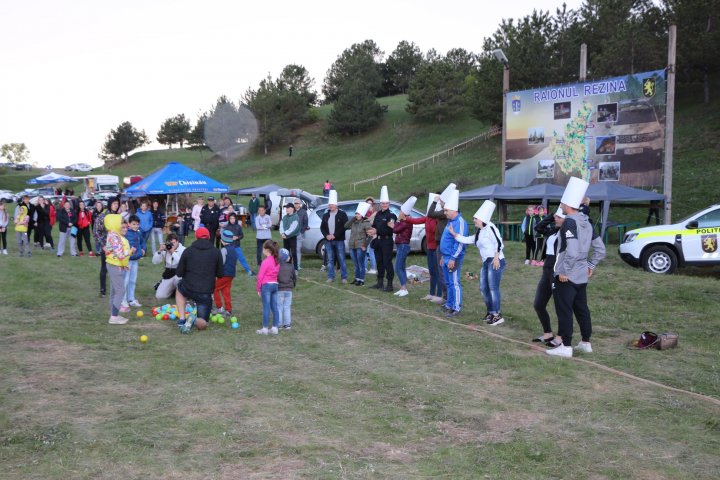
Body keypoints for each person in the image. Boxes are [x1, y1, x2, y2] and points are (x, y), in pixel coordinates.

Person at [547, 178, 606, 358]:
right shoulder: (586, 222)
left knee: (564, 310)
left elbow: (571, 250)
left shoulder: (569, 223)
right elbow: (600, 249)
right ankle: (585, 342)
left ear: (567, 204)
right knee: (582, 309)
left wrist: (564, 271)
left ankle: (565, 346)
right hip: (581, 274)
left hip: (568, 275)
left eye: (562, 203)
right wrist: (590, 264)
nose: (561, 205)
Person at [450, 201, 506, 325]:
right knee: (483, 288)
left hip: (495, 261)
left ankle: (497, 315)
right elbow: (470, 239)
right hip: (486, 262)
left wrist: (496, 257)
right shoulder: (480, 231)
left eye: (476, 219)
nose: (474, 220)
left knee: (493, 288)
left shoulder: (490, 227)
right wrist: (455, 235)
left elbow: (499, 243)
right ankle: (491, 312)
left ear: (482, 219)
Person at [175, 227, 224, 332]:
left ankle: (182, 319)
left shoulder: (188, 251)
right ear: (209, 237)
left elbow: (179, 273)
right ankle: (195, 320)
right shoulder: (216, 252)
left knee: (179, 288)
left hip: (188, 287)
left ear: (196, 237)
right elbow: (220, 274)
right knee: (203, 325)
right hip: (205, 293)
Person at [532, 207, 565, 345]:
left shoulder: (567, 233)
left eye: (559, 217)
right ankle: (547, 334)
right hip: (547, 269)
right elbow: (538, 227)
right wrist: (552, 216)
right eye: (555, 216)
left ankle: (561, 337)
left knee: (560, 307)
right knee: (539, 304)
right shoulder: (553, 230)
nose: (556, 218)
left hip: (558, 270)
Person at [438, 189, 467, 318]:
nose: (445, 213)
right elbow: (446, 240)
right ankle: (449, 304)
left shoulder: (460, 222)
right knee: (448, 282)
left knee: (454, 282)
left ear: (454, 210)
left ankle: (456, 307)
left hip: (453, 258)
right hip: (446, 257)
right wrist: (443, 257)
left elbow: (460, 242)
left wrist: (452, 258)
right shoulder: (450, 222)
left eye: (446, 211)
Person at [408, 193, 441, 302]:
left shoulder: (438, 220)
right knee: (432, 272)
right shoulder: (427, 218)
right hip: (430, 248)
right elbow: (415, 221)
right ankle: (431, 293)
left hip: (437, 248)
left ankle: (439, 294)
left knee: (438, 272)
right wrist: (406, 218)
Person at [368, 186, 397, 292]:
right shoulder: (378, 214)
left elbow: (390, 230)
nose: (384, 205)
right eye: (382, 203)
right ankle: (380, 283)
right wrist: (372, 230)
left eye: (386, 203)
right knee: (379, 262)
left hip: (387, 241)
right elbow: (375, 225)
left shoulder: (392, 215)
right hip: (378, 241)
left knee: (387, 262)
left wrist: (377, 231)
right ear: (380, 204)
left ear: (389, 204)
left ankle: (389, 285)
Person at [104, 214, 131, 325]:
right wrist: (130, 252)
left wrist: (124, 264)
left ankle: (113, 314)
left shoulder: (112, 234)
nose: (121, 224)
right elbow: (120, 254)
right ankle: (114, 317)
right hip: (114, 265)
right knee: (120, 291)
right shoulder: (114, 236)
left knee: (115, 290)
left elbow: (109, 251)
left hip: (113, 264)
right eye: (119, 222)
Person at [320, 190, 348, 284]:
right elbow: (322, 227)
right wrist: (326, 235)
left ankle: (344, 277)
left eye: (332, 204)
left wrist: (334, 235)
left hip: (339, 240)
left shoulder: (342, 214)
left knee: (341, 258)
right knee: (330, 259)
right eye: (329, 204)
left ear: (336, 205)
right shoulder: (325, 215)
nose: (330, 206)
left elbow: (344, 227)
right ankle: (330, 276)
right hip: (328, 241)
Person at [94, 197, 120, 297]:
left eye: (117, 203)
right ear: (110, 204)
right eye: (114, 203)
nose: (116, 205)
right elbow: (96, 232)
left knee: (117, 268)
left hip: (117, 246)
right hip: (107, 245)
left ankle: (117, 288)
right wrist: (103, 245)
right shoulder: (103, 216)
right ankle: (103, 290)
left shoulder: (118, 216)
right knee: (105, 268)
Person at [392, 196, 417, 297]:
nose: (399, 213)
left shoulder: (406, 221)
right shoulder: (404, 221)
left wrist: (397, 221)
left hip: (403, 245)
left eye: (400, 211)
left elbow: (395, 230)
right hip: (401, 245)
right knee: (401, 266)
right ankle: (403, 288)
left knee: (398, 267)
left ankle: (404, 288)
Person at [256, 239, 281, 335]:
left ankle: (265, 329)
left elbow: (260, 277)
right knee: (274, 307)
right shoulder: (277, 261)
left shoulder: (265, 262)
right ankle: (275, 328)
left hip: (266, 286)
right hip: (275, 285)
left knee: (266, 307)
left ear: (267, 250)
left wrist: (258, 289)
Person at [121, 215, 145, 310]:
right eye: (134, 224)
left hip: (135, 261)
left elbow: (142, 242)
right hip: (127, 261)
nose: (136, 226)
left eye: (137, 224)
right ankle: (123, 300)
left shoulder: (139, 233)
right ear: (129, 224)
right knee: (125, 280)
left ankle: (131, 299)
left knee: (133, 280)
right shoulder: (126, 233)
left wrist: (143, 249)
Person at [345, 202, 372, 286]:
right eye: (356, 213)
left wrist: (365, 245)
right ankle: (357, 279)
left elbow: (370, 235)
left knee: (360, 264)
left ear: (362, 214)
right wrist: (353, 218)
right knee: (355, 264)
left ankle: (361, 280)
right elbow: (346, 226)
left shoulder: (366, 223)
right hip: (352, 245)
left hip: (360, 246)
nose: (357, 215)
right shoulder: (353, 222)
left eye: (359, 214)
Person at [152, 233, 186, 299]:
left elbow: (181, 262)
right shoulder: (166, 249)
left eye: (173, 243)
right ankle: (172, 290)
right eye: (170, 243)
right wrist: (160, 251)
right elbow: (155, 261)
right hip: (168, 275)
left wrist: (172, 252)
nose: (172, 245)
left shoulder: (183, 250)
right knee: (160, 296)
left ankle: (180, 292)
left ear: (177, 242)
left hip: (179, 274)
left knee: (178, 279)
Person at [212, 230, 238, 316]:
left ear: (223, 240)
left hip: (224, 274)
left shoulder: (223, 250)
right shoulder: (234, 249)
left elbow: (221, 263)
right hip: (231, 274)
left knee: (214, 289)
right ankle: (228, 310)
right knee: (226, 291)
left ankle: (219, 307)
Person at [277, 247, 296, 330]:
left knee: (279, 307)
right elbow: (294, 278)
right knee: (287, 307)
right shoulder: (291, 266)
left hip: (279, 290)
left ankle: (279, 324)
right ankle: (287, 325)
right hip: (289, 290)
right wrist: (293, 285)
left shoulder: (276, 267)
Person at [280, 203, 300, 271]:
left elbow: (293, 228)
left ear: (292, 209)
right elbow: (281, 225)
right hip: (285, 237)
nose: (286, 209)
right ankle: (287, 267)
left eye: (288, 208)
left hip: (292, 237)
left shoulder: (295, 217)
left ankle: (295, 268)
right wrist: (282, 233)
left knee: (293, 253)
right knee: (286, 252)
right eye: (286, 208)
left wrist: (285, 234)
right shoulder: (285, 217)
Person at [364, 197, 378, 274]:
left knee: (371, 251)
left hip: (372, 235)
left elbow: (371, 222)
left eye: (370, 204)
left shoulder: (375, 213)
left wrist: (371, 215)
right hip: (365, 235)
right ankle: (365, 267)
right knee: (365, 251)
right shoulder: (364, 213)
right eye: (367, 204)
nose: (369, 205)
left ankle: (373, 268)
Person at [294, 198, 308, 270]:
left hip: (299, 233)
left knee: (298, 249)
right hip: (292, 234)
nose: (296, 204)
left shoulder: (303, 212)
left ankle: (298, 265)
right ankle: (293, 264)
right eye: (295, 203)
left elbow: (306, 222)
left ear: (300, 204)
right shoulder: (291, 211)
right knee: (293, 249)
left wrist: (302, 231)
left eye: (297, 203)